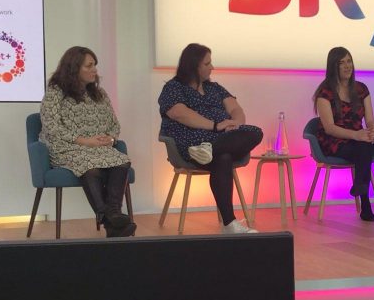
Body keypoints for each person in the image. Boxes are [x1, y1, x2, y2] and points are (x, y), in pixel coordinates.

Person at [159, 43, 263, 234]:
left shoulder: (214, 88)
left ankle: (210, 151)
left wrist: (235, 124)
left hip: (218, 141)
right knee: (223, 158)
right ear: (194, 66)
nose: (212, 67)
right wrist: (215, 126)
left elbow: (236, 109)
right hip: (190, 143)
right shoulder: (173, 88)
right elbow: (180, 114)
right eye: (207, 63)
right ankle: (229, 224)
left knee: (254, 132)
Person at [40, 46, 135, 237]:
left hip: (99, 148)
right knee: (90, 167)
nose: (94, 70)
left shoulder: (100, 94)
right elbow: (51, 126)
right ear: (74, 68)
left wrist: (110, 138)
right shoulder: (55, 92)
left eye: (95, 66)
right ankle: (110, 219)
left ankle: (112, 215)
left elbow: (113, 124)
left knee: (122, 161)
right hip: (68, 148)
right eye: (89, 66)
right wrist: (84, 141)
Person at [313, 47, 374, 222]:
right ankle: (365, 204)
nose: (347, 66)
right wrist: (357, 135)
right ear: (333, 67)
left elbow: (370, 119)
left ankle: (360, 187)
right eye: (341, 63)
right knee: (363, 147)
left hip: (358, 139)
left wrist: (372, 130)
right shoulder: (324, 93)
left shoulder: (361, 89)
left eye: (349, 61)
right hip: (334, 140)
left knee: (365, 146)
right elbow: (329, 128)